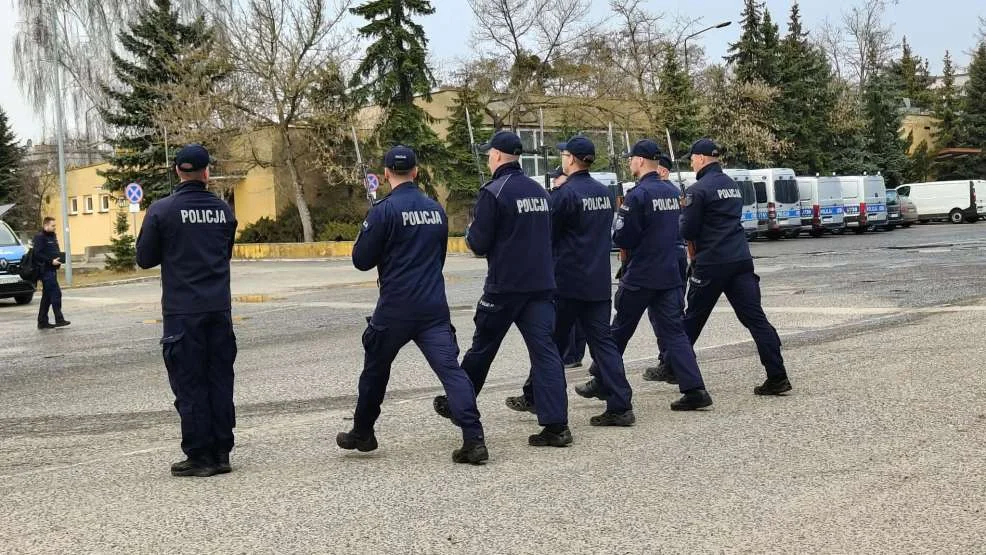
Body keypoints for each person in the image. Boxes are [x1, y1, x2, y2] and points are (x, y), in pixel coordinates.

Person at [337, 146, 488, 465]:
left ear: (387, 174)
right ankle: (474, 439)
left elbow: (361, 260)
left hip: (394, 307)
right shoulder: (435, 209)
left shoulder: (383, 210)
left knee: (375, 370)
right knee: (451, 372)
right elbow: (438, 257)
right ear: (416, 172)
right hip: (432, 305)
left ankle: (363, 432)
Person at [433, 130, 572, 447]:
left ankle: (459, 403)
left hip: (505, 285)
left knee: (483, 347)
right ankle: (556, 426)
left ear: (496, 155)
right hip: (540, 284)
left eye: (488, 153)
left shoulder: (494, 192)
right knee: (545, 353)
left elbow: (478, 243)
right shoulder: (540, 192)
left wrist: (471, 231)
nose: (487, 157)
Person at [575, 139, 712, 410]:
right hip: (669, 272)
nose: (629, 162)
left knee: (617, 332)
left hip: (641, 274)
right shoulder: (672, 192)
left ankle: (602, 379)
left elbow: (624, 235)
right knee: (675, 333)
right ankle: (695, 389)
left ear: (640, 161)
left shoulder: (637, 195)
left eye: (631, 159)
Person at [136, 144, 239, 477]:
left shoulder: (162, 211)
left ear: (177, 171)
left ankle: (199, 455)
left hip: (182, 312)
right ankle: (222, 451)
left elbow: (145, 258)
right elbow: (225, 253)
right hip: (218, 308)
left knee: (190, 383)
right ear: (207, 172)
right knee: (220, 379)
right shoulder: (224, 211)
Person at [679, 138, 792, 395]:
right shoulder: (731, 185)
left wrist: (683, 212)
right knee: (755, 319)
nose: (691, 162)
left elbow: (688, 229)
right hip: (740, 258)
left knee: (692, 320)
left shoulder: (697, 190)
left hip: (711, 262)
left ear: (702, 158)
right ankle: (778, 375)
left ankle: (675, 368)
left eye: (693, 158)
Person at [33, 217, 69, 330]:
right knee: (56, 293)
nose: (54, 228)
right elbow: (37, 254)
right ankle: (59, 319)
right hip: (45, 270)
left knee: (47, 297)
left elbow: (53, 249)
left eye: (55, 226)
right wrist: (50, 261)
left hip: (52, 269)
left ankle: (42, 321)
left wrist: (59, 258)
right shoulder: (40, 237)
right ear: (46, 225)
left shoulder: (52, 236)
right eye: (52, 226)